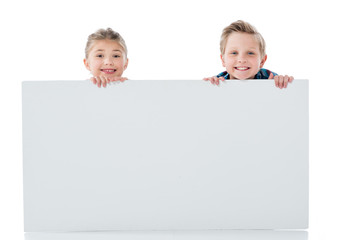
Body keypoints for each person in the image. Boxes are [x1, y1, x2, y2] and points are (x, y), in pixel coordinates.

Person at [203, 20, 293, 89]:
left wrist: (282, 84)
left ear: (262, 61)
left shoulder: (270, 79)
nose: (242, 59)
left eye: (250, 53)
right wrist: (208, 88)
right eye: (234, 53)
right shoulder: (217, 83)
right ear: (223, 60)